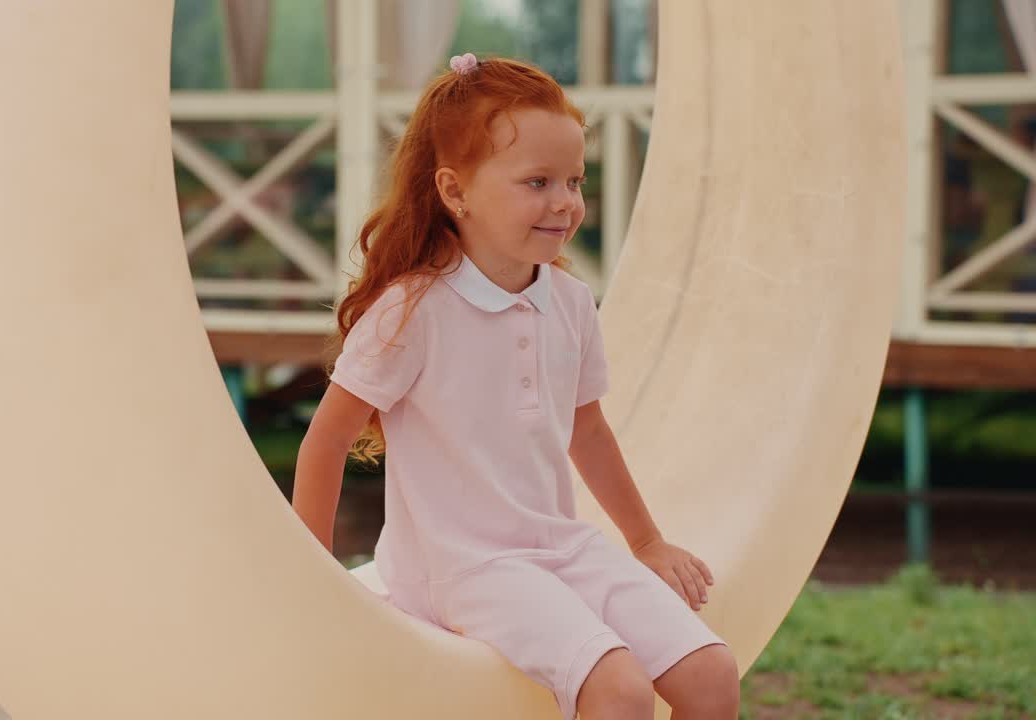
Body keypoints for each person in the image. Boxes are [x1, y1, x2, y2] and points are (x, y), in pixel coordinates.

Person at [293, 53, 739, 720]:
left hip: (562, 545)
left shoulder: (571, 301)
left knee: (711, 673)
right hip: (462, 567)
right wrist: (313, 580)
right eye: (537, 182)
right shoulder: (412, 311)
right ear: (456, 191)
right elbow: (326, 440)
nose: (565, 202)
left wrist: (647, 541)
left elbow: (587, 430)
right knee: (619, 689)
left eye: (575, 181)